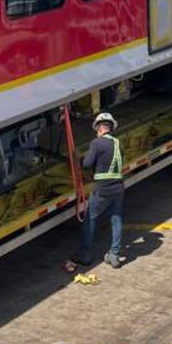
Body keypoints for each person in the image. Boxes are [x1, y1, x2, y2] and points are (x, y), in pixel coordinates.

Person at [69, 111, 125, 270]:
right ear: (110, 127)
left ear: (100, 128)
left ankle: (85, 254)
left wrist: (78, 158)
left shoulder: (97, 143)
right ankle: (114, 255)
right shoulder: (118, 143)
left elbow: (87, 164)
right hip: (118, 187)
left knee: (89, 219)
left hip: (102, 189)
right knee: (116, 218)